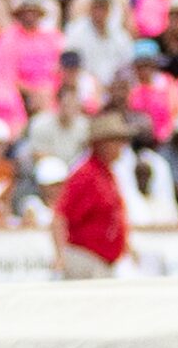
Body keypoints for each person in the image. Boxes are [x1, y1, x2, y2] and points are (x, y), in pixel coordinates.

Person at [53, 112, 131, 278]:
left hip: (101, 260)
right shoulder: (86, 175)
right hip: (86, 259)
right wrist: (60, 255)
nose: (121, 146)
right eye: (116, 141)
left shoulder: (107, 173)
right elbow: (60, 216)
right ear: (101, 144)